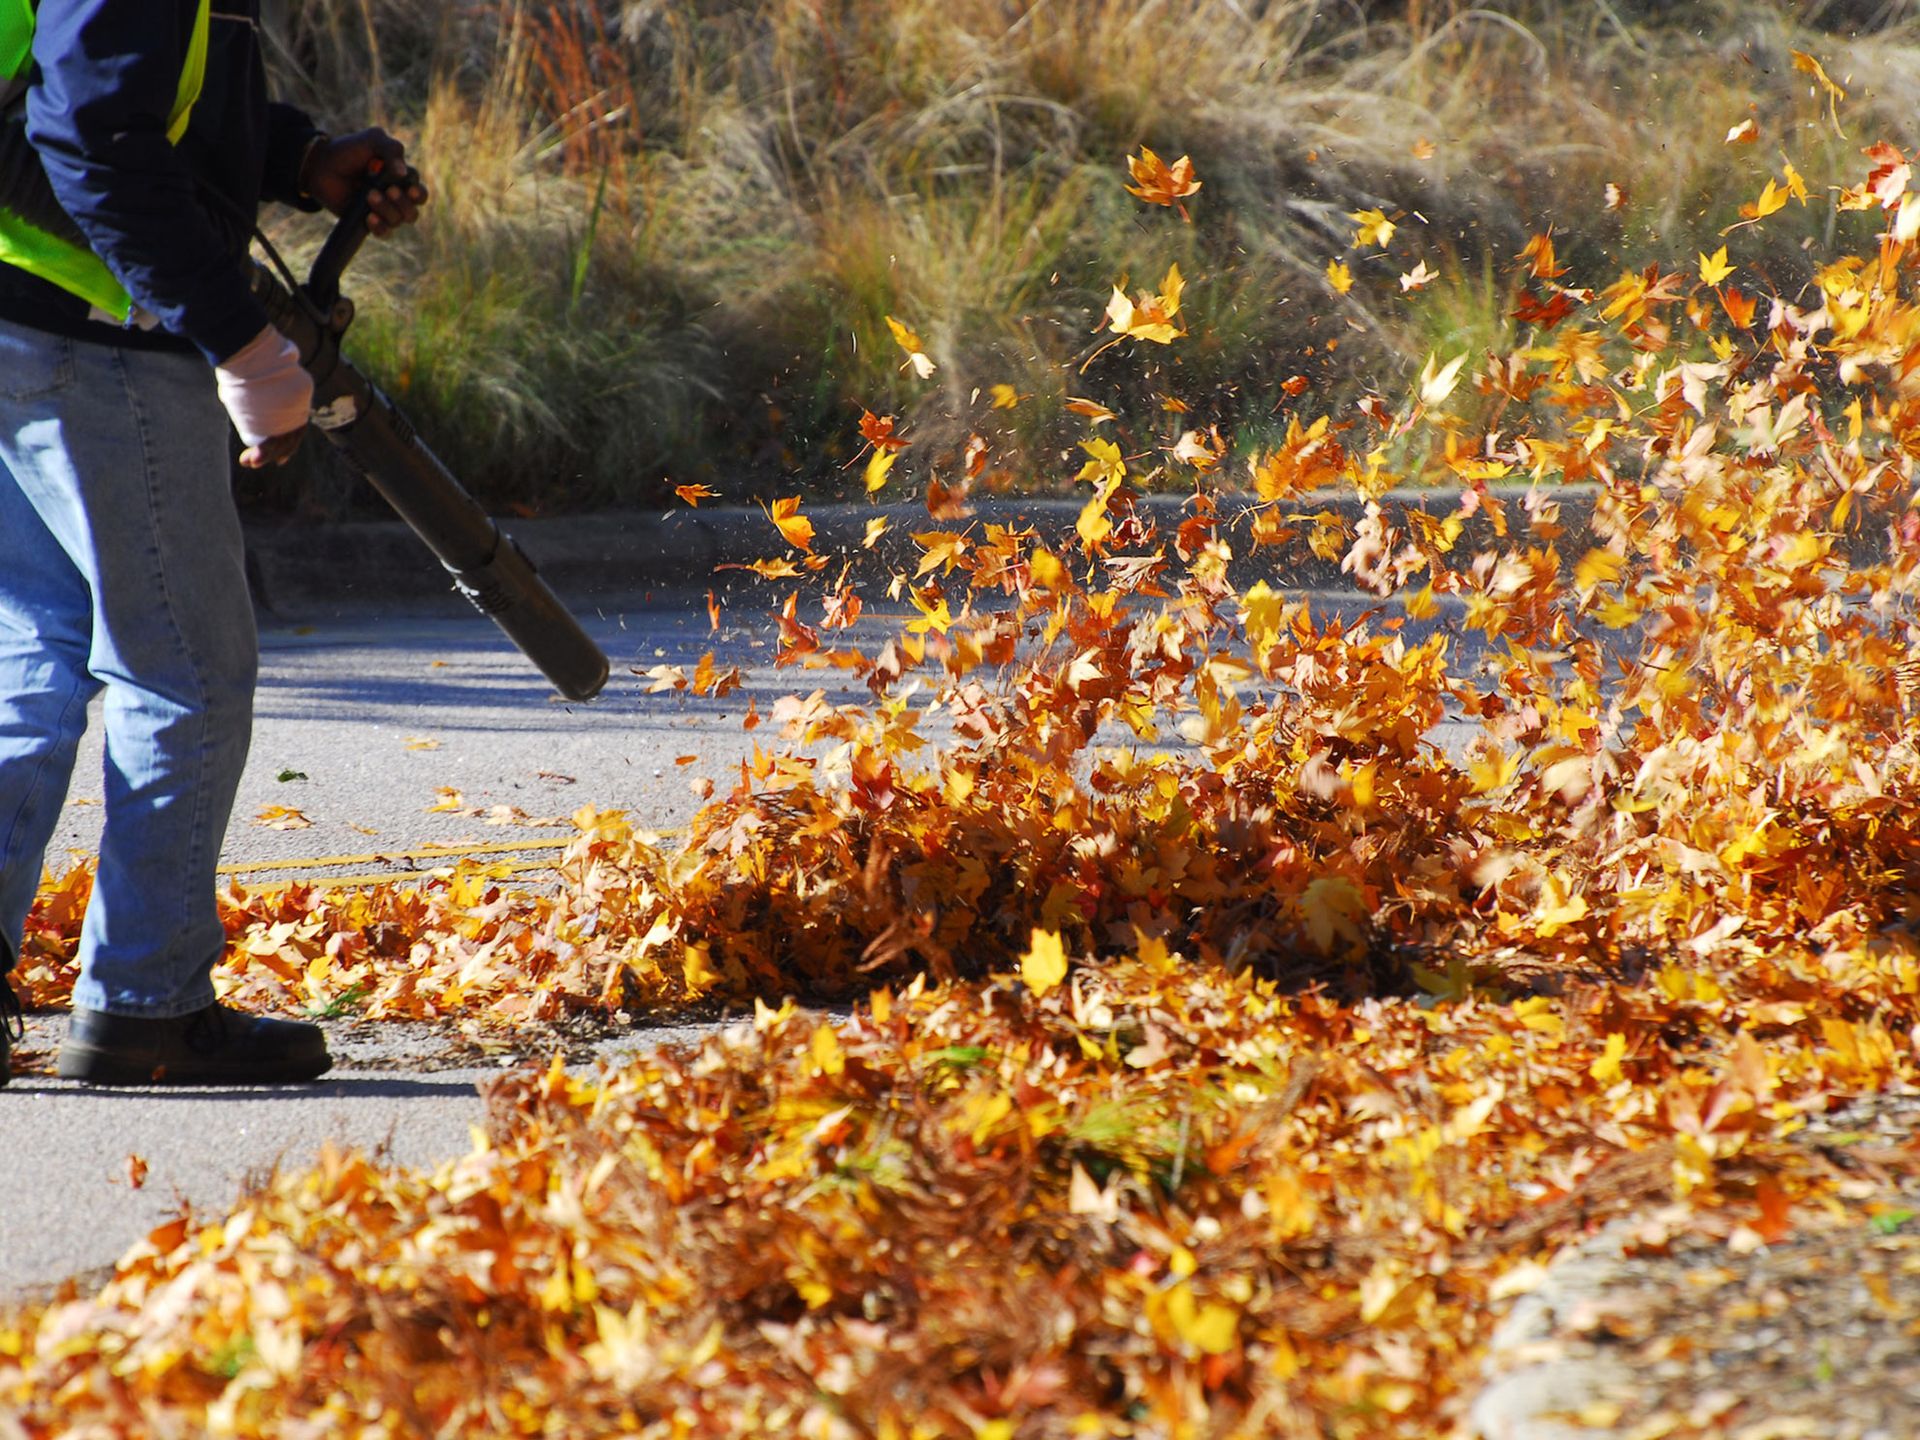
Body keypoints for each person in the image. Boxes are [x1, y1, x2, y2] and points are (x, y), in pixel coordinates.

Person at [0, 1, 427, 1087]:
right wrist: (243, 345)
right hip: (90, 339)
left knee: (33, 658)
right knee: (183, 670)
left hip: (17, 315)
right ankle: (147, 1006)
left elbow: (120, 91)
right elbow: (90, 132)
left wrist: (297, 157)